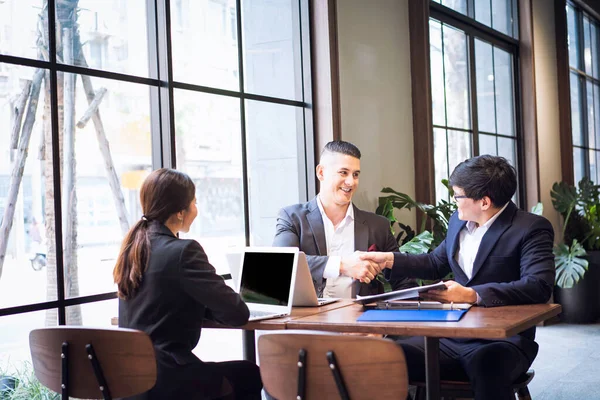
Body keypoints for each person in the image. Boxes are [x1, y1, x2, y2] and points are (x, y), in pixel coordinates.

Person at [361, 155, 555, 400]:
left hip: (505, 340)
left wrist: (473, 295)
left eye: (457, 196)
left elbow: (538, 285)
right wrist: (389, 259)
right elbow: (434, 263)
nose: (454, 203)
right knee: (389, 356)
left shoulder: (530, 228)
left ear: (484, 202)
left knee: (487, 366)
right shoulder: (458, 222)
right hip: (453, 334)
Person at [114, 168, 262, 400]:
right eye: (194, 202)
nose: (196, 209)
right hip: (166, 381)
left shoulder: (132, 248)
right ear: (180, 212)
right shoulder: (183, 251)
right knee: (248, 373)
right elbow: (237, 313)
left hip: (128, 381)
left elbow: (160, 299)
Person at [273, 140, 414, 298]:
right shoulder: (292, 217)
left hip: (360, 319)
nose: (351, 182)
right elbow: (282, 263)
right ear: (321, 173)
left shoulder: (378, 226)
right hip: (306, 319)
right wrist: (342, 265)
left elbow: (404, 283)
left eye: (355, 174)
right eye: (343, 172)